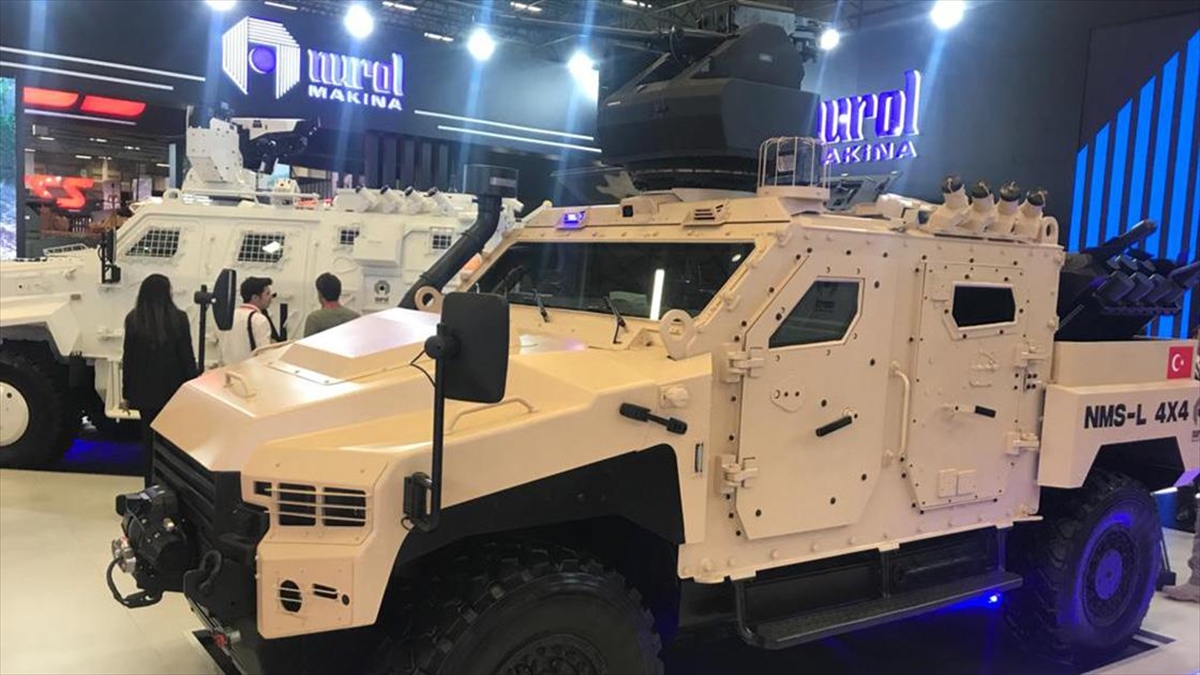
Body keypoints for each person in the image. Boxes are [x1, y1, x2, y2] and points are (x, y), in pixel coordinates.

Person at [121, 274, 198, 483]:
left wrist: (126, 393)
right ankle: (170, 485)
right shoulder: (179, 318)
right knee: (172, 444)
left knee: (149, 442)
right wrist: (192, 386)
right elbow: (186, 356)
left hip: (144, 393)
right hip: (173, 392)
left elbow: (129, 359)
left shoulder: (134, 319)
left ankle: (150, 484)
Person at [220, 276, 279, 364]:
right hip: (250, 370)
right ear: (255, 297)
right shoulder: (259, 320)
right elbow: (265, 354)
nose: (271, 297)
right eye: (267, 294)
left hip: (227, 369)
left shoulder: (227, 316)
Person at [303, 273, 360, 337]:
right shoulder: (355, 317)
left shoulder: (314, 319)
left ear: (320, 294)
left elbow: (306, 343)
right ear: (339, 292)